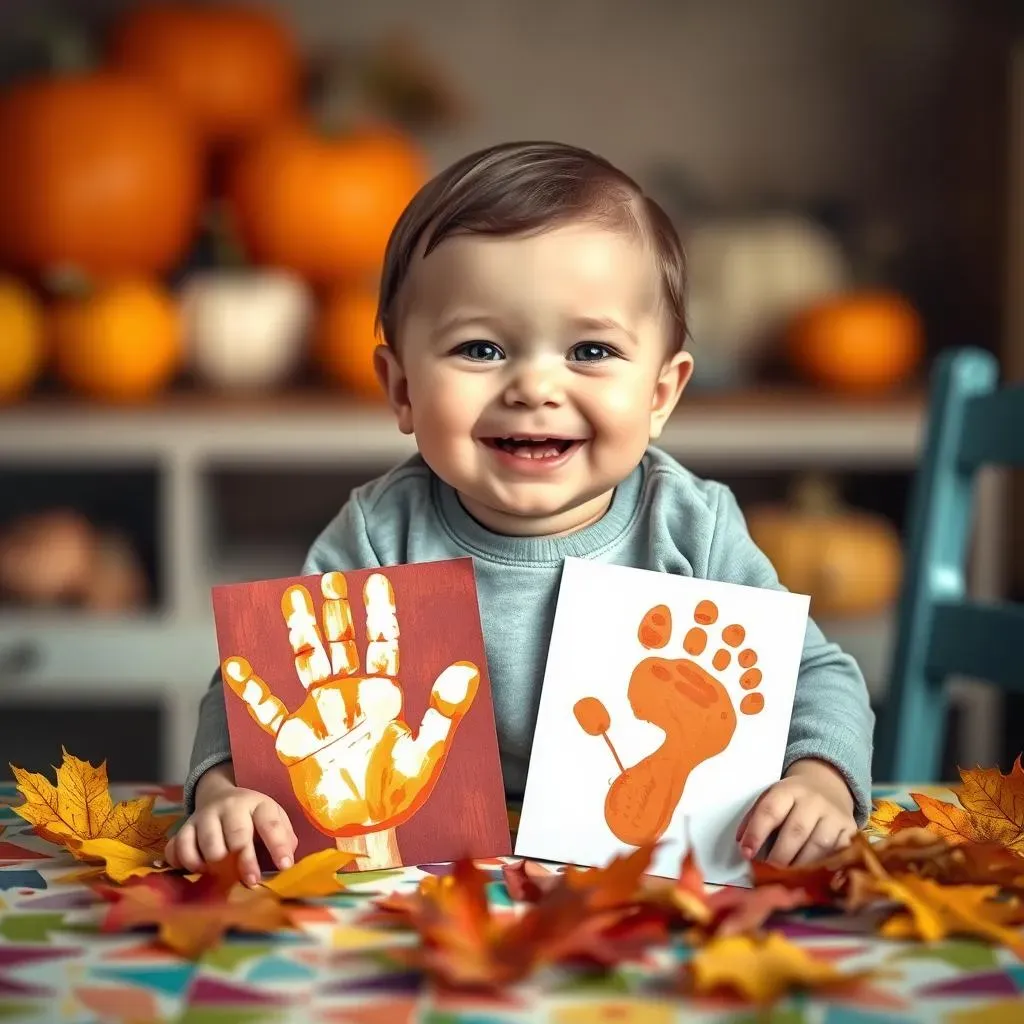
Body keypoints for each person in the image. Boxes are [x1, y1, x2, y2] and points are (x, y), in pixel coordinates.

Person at [165, 140, 875, 886]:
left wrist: (820, 780)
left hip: (644, 880)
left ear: (661, 394)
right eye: (480, 348)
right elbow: (254, 685)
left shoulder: (691, 527)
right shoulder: (380, 532)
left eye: (591, 350)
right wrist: (225, 791)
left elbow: (820, 674)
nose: (534, 386)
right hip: (426, 878)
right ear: (401, 389)